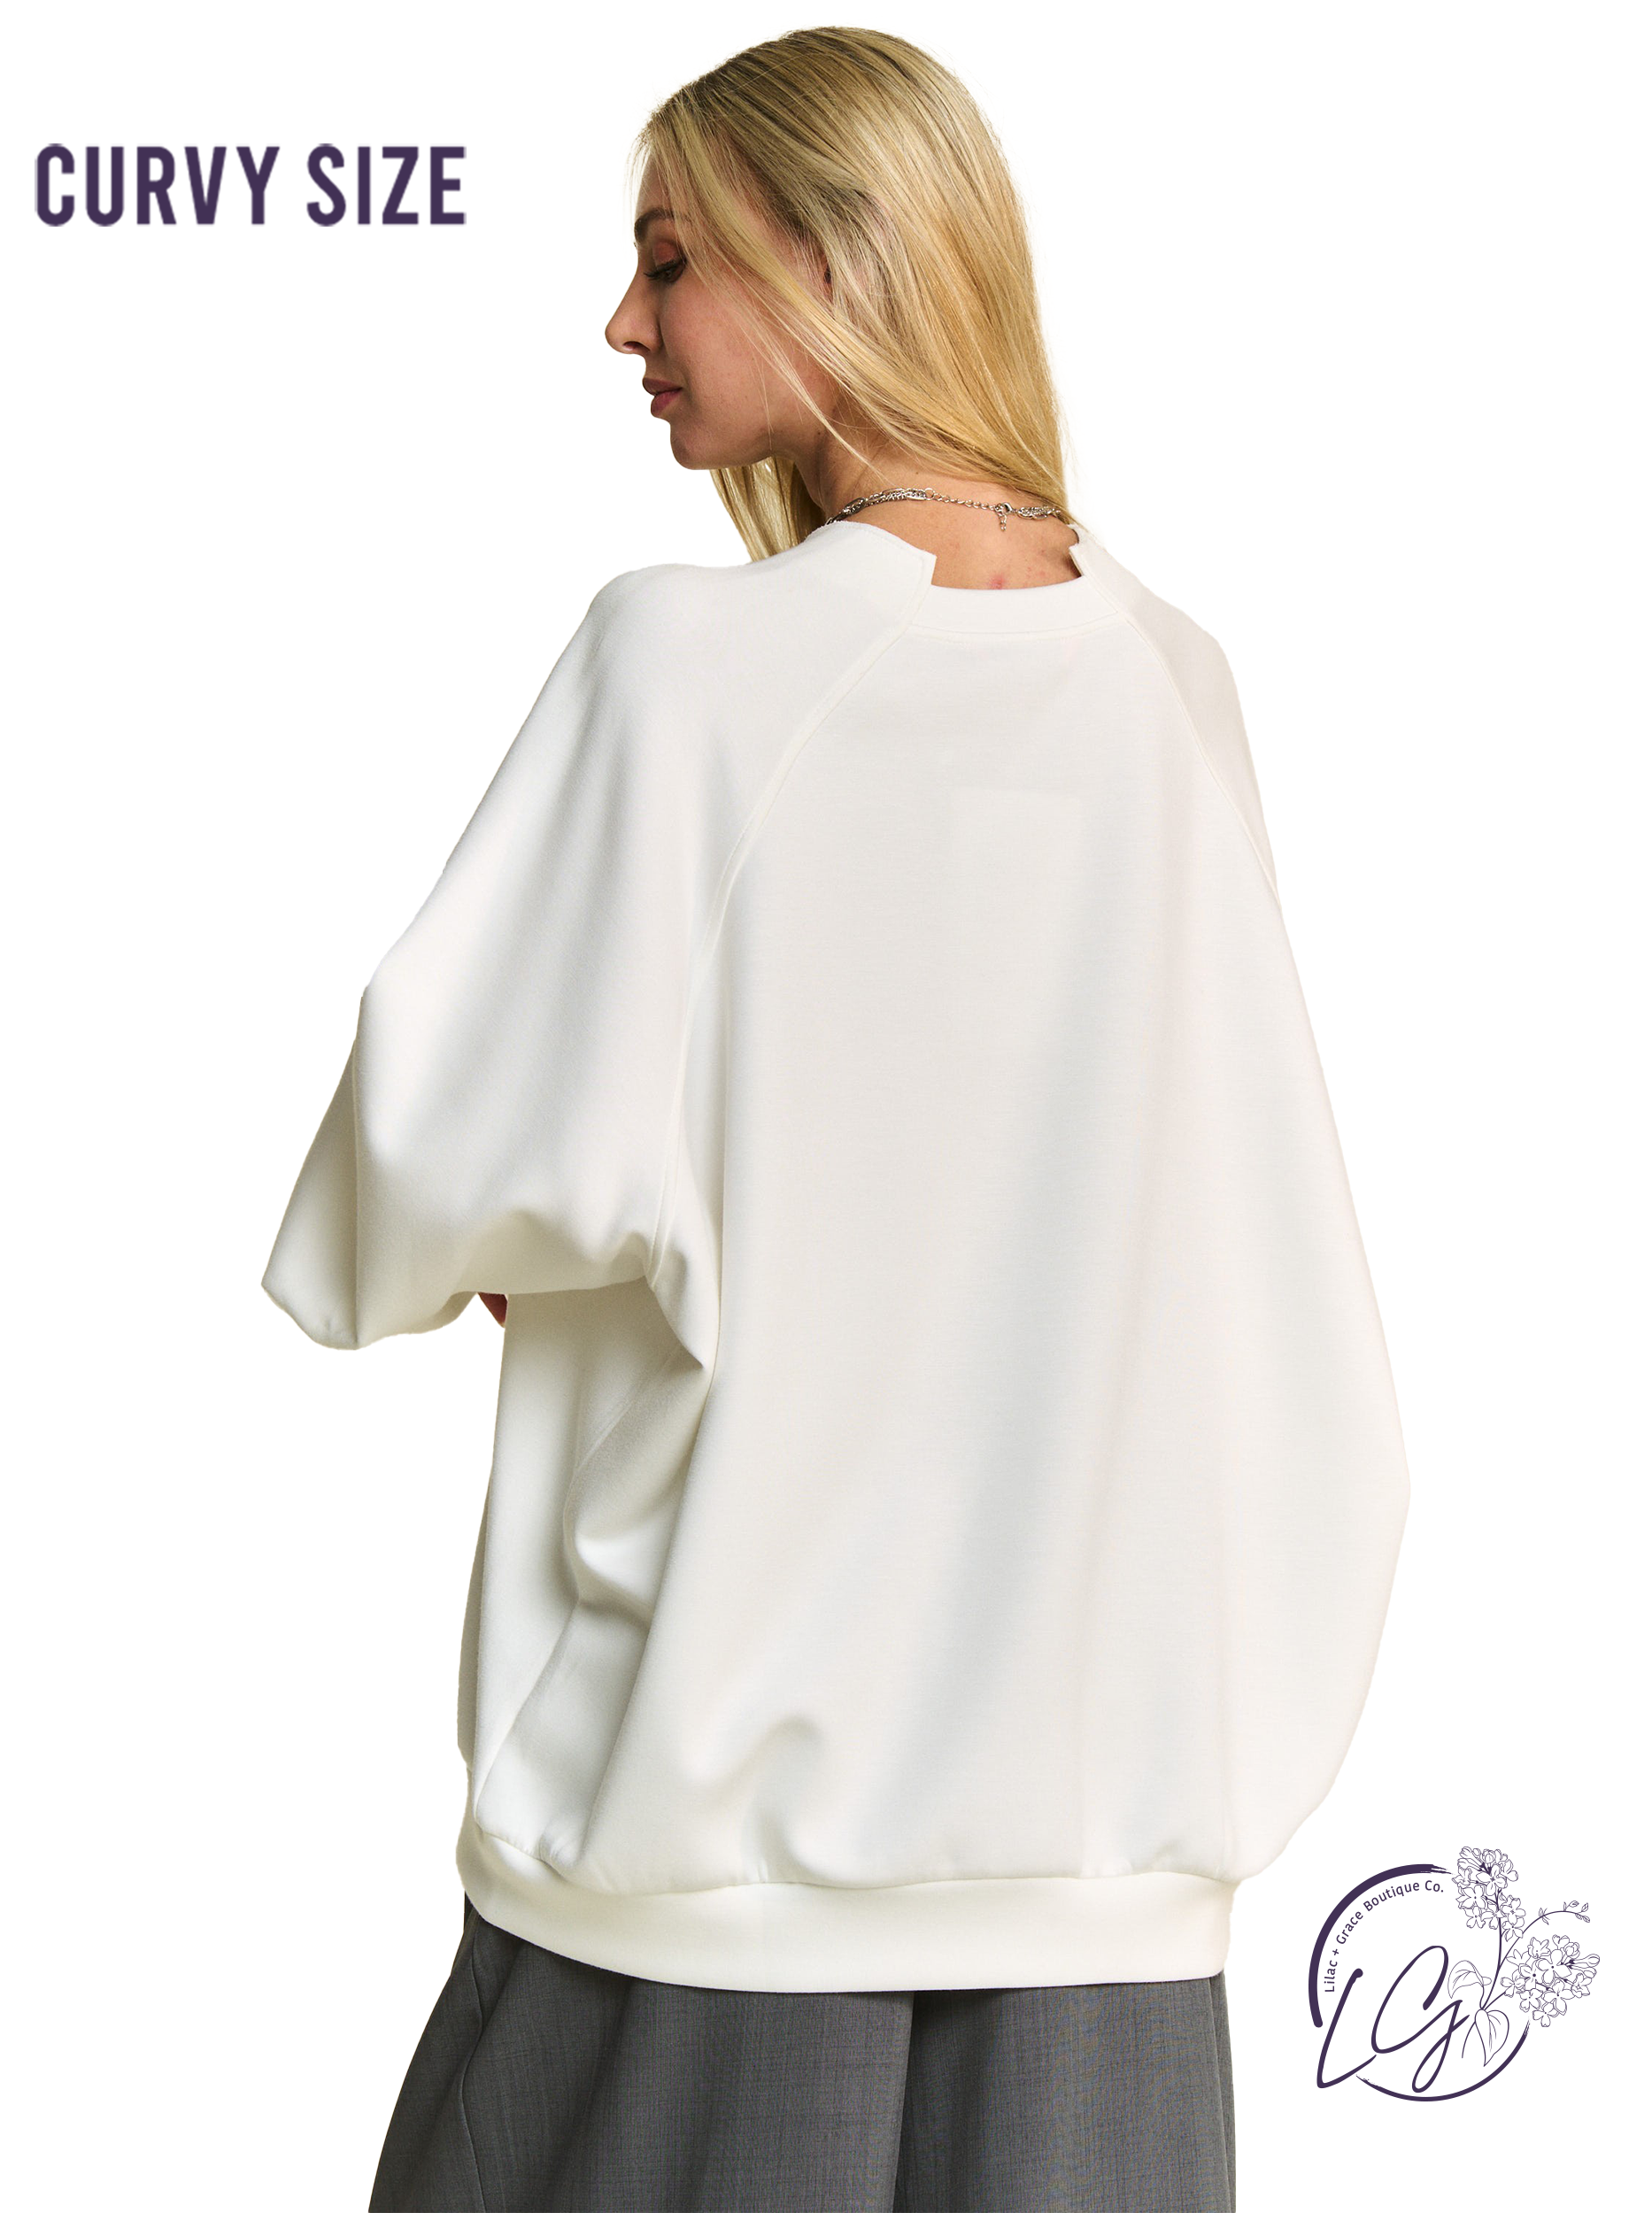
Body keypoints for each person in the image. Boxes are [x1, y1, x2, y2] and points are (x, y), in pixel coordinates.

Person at [263, 27, 1410, 2212]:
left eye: (668, 258)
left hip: (706, 1898)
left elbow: (400, 1173)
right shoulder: (1175, 683)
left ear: (828, 255)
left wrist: (537, 1237)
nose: (624, 325)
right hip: (1112, 1937)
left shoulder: (688, 669)